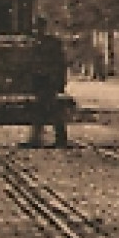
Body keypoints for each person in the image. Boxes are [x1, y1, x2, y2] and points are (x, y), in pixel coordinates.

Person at [25, 17, 68, 147]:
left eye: (38, 28)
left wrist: (60, 81)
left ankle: (57, 139)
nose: (36, 31)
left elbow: (60, 63)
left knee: (49, 109)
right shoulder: (35, 43)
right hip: (40, 80)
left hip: (48, 80)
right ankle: (37, 139)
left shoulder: (51, 43)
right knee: (43, 109)